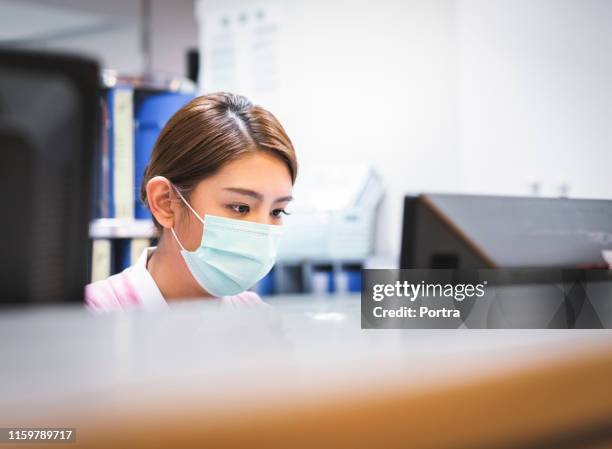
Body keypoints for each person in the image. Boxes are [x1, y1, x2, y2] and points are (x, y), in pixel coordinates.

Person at [86, 93, 297, 311]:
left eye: (277, 211)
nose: (261, 232)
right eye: (240, 207)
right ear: (166, 202)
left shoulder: (258, 316)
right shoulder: (93, 314)